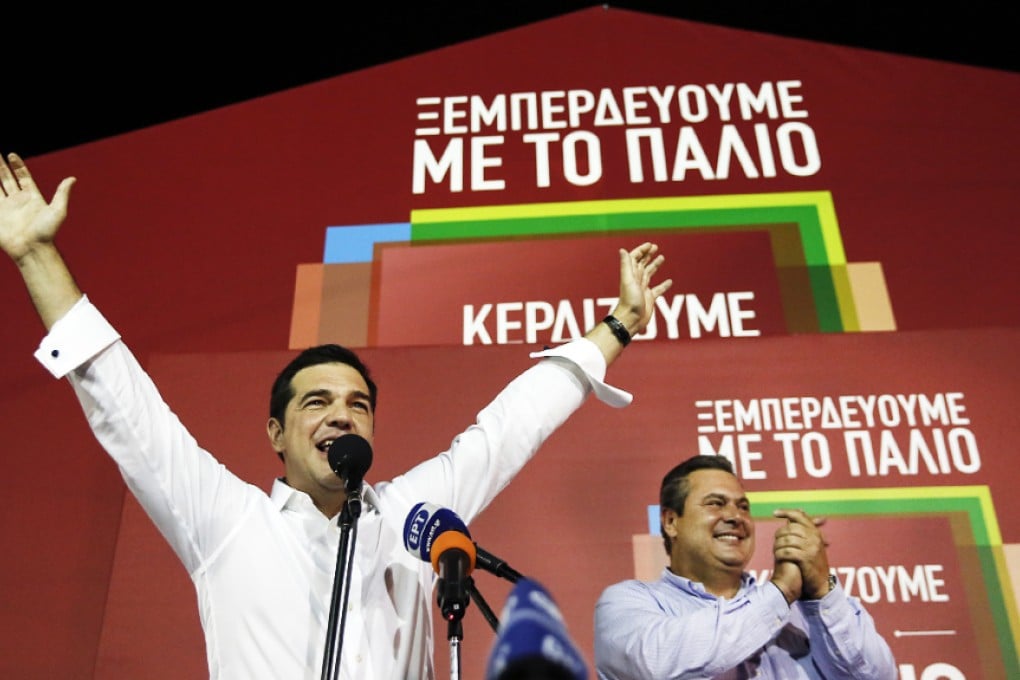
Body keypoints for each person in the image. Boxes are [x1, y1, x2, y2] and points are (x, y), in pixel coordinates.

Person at [0, 151, 672, 680]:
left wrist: (617, 326)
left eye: (357, 404)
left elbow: (512, 425)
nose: (340, 417)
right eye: (315, 403)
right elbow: (123, 403)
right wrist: (36, 254)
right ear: (276, 434)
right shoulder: (225, 521)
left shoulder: (413, 516)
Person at [593, 454, 897, 679]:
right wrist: (779, 593)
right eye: (715, 503)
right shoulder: (627, 603)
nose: (735, 516)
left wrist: (820, 593)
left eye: (743, 506)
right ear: (671, 522)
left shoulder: (804, 612)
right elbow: (655, 664)